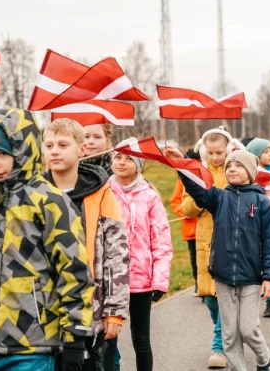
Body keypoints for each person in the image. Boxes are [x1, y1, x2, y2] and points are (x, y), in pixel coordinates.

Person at [0, 109, 94, 371]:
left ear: (23, 149)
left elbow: (74, 273)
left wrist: (75, 340)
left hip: (31, 346)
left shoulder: (51, 202)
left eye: (2, 153)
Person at [176, 149, 270, 371]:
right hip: (223, 277)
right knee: (230, 334)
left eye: (238, 165)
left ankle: (265, 358)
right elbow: (196, 187)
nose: (232, 169)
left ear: (250, 172)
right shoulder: (219, 198)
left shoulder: (262, 203)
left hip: (252, 277)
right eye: (229, 166)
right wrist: (182, 164)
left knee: (248, 329)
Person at [43, 118, 130, 371]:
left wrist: (114, 311)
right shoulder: (35, 193)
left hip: (91, 308)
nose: (55, 150)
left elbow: (117, 254)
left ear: (81, 149)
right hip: (45, 310)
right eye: (49, 145)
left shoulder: (101, 193)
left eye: (62, 144)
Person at [180, 127, 244, 369]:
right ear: (204, 151)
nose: (216, 157)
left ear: (228, 149)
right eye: (211, 152)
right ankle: (230, 332)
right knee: (210, 299)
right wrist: (203, 202)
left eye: (220, 152)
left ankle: (219, 346)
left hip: (232, 241)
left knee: (226, 295)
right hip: (205, 242)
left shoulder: (234, 170)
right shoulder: (198, 172)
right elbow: (185, 208)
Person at [109, 138, 173, 371]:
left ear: (139, 164)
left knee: (141, 340)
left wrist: (160, 279)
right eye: (118, 157)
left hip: (141, 280)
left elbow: (162, 240)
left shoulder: (149, 196)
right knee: (107, 340)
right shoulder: (103, 192)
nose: (122, 162)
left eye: (129, 158)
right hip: (109, 280)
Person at [246, 137, 270, 318]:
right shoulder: (252, 175)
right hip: (256, 225)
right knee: (262, 263)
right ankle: (269, 302)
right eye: (265, 152)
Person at [170, 148, 200, 296]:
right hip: (191, 230)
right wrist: (184, 212)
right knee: (195, 258)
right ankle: (197, 283)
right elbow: (175, 201)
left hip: (206, 228)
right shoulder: (182, 181)